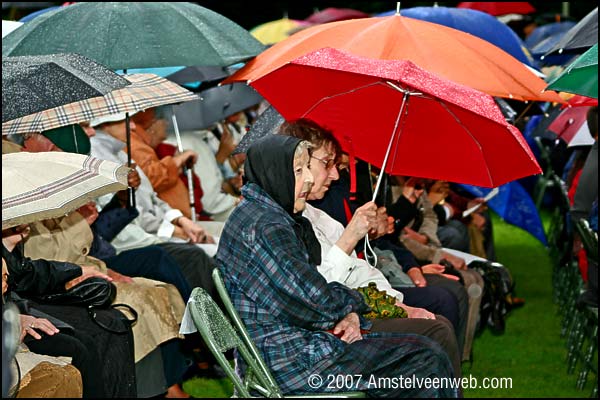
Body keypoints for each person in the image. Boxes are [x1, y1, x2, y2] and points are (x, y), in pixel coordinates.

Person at [216, 134, 457, 397]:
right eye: (299, 170)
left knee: (422, 351)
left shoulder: (263, 215)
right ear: (275, 173)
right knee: (425, 358)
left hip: (289, 348)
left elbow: (311, 296)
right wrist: (355, 303)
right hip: (293, 362)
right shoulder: (266, 226)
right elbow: (316, 301)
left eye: (308, 168)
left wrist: (349, 310)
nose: (308, 179)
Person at [277, 119, 462, 374]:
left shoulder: (317, 211)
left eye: (336, 162)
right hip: (324, 338)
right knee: (438, 326)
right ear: (299, 163)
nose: (335, 173)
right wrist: (354, 236)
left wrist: (399, 305)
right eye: (327, 163)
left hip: (360, 303)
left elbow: (363, 268)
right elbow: (317, 293)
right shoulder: (284, 219)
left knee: (440, 315)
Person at [2, 227, 136, 398]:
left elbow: (24, 273)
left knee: (115, 322)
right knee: (84, 343)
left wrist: (75, 271)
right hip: (23, 306)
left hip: (22, 304)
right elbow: (25, 277)